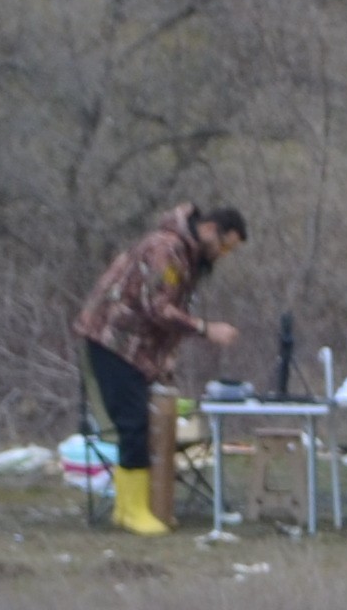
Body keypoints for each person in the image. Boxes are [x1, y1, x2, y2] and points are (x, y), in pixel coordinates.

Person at [72, 201, 247, 537]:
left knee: (136, 422)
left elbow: (167, 316)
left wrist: (165, 356)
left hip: (136, 349)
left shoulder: (187, 257)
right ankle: (134, 511)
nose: (224, 254)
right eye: (225, 245)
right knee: (133, 422)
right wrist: (205, 329)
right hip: (113, 340)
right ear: (210, 229)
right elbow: (158, 307)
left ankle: (127, 508)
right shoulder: (165, 248)